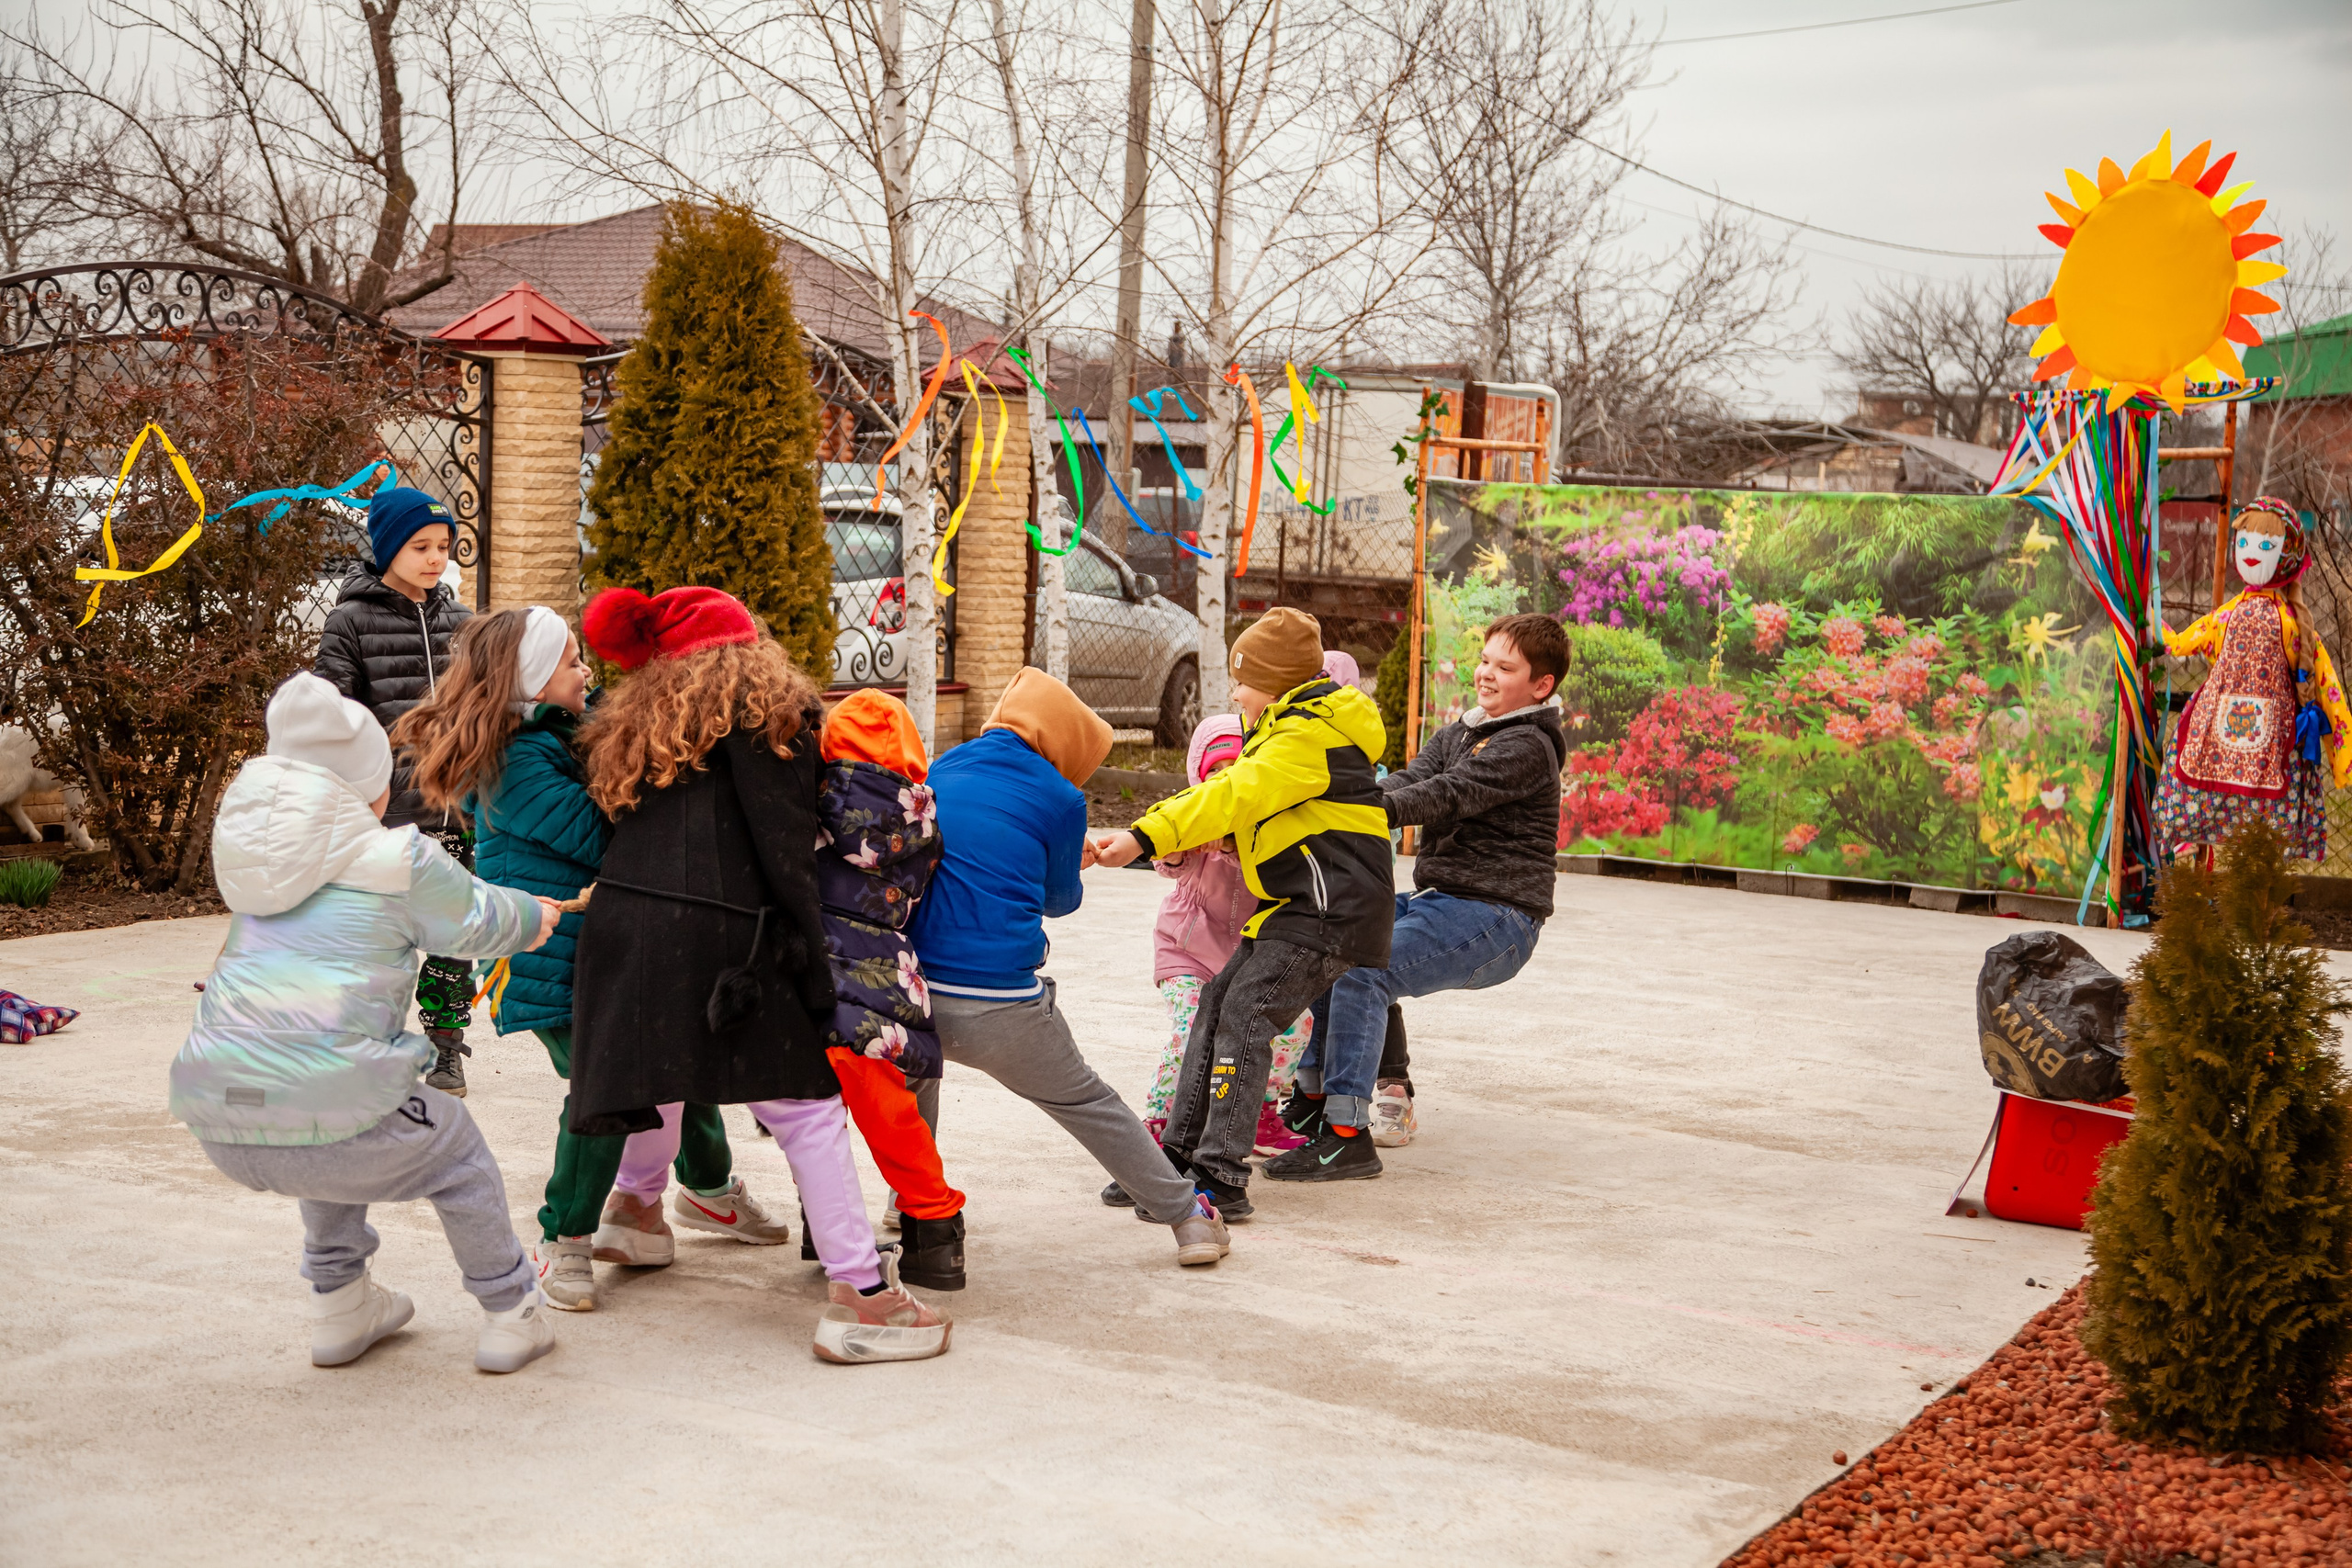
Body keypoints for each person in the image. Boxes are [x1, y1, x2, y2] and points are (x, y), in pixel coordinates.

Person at [569, 586, 948, 1363]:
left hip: (625, 922)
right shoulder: (771, 719)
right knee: (807, 1107)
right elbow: (784, 855)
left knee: (663, 1068)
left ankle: (636, 1211)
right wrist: (814, 965)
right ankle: (862, 1294)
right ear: (748, 650)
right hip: (727, 933)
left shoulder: (629, 726)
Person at [390, 606, 790, 1314]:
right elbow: (601, 838)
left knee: (676, 1050)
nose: (588, 672)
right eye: (572, 662)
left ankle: (708, 1188)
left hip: (602, 950)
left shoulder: (560, 730)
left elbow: (635, 712)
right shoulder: (512, 764)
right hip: (547, 959)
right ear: (531, 681)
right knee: (608, 1090)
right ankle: (564, 1238)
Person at [171, 672, 562, 1373]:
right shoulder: (395, 857)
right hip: (319, 1111)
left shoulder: (260, 872)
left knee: (332, 1095)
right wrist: (537, 915)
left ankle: (341, 1304)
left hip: (220, 1116)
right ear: (365, 789)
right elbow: (476, 917)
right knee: (457, 1151)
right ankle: (512, 1308)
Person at [909, 666, 1231, 1267]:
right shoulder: (1061, 797)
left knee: (918, 1082)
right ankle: (1190, 1219)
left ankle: (914, 1207)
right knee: (1086, 1102)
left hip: (917, 992)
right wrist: (1067, 859)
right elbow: (1059, 900)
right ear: (1063, 743)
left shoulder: (942, 768)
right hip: (1003, 1006)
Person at [1091, 607, 1393, 1214]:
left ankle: (1220, 1176)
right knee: (1217, 1004)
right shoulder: (1294, 726)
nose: (1234, 691)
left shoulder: (1308, 735)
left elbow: (1233, 792)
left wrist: (1147, 835)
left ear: (1277, 681)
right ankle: (1175, 1156)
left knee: (1247, 1016)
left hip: (1330, 911)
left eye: (1243, 678)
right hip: (1298, 904)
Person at [1268, 612, 1566, 1177]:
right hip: (1445, 901)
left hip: (1499, 918)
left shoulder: (1529, 744)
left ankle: (1347, 1134)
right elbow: (1410, 778)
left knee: (1364, 969)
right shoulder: (1463, 731)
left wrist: (1360, 811)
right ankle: (1309, 1102)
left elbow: (1449, 794)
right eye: (1485, 660)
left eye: (1505, 667)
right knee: (1329, 940)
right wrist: (1342, 802)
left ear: (1541, 685)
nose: (1486, 673)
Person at [314, 486, 478, 1097]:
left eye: (444, 546)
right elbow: (334, 715)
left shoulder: (462, 622)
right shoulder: (350, 621)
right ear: (387, 548)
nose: (436, 558)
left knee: (452, 938)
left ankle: (446, 1046)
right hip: (387, 815)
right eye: (420, 546)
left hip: (456, 811)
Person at [804, 689, 967, 1291]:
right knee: (896, 1118)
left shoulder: (810, 799)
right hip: (889, 987)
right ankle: (936, 1235)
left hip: (819, 979)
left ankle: (822, 1226)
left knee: (814, 1118)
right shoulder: (925, 822)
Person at [1125, 713, 1314, 1172]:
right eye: (1215, 774)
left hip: (1248, 951)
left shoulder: (1267, 824)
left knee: (1295, 1023)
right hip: (1185, 950)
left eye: (1236, 771)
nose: (1225, 782)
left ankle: (1264, 1111)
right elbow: (1168, 860)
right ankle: (1162, 1119)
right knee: (1191, 1029)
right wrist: (1177, 845)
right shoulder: (1191, 813)